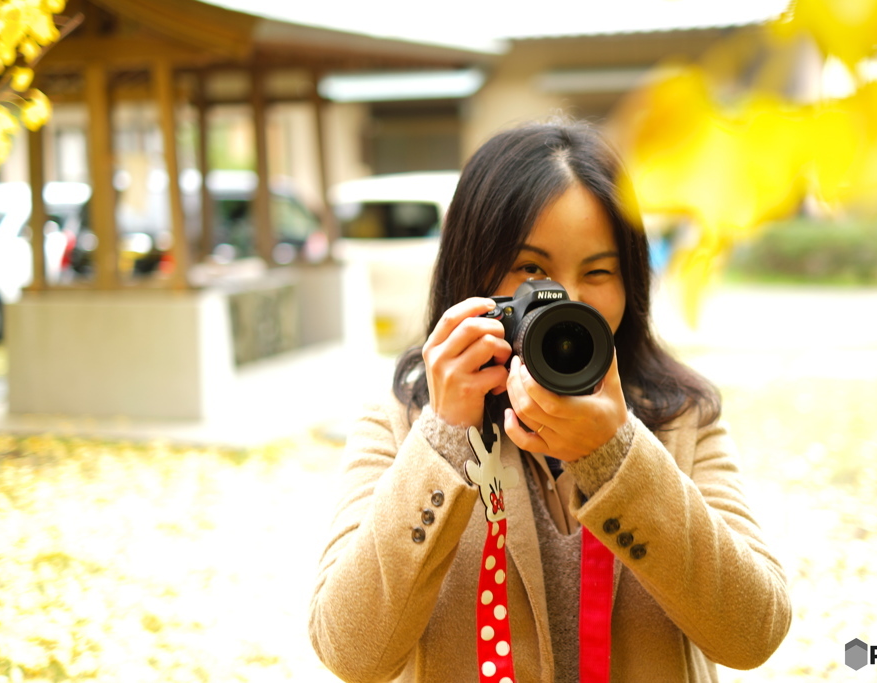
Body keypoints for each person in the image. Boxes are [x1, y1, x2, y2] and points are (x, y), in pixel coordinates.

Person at [309, 120, 791, 683]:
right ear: (472, 269)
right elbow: (349, 653)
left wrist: (616, 455)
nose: (566, 300)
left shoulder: (680, 418)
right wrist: (444, 436)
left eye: (599, 271)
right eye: (531, 269)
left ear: (630, 285)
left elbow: (754, 632)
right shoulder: (399, 426)